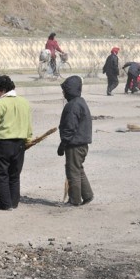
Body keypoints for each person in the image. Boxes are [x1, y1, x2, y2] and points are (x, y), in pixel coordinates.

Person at [0, 75, 32, 211]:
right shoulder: (24, 102)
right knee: (15, 174)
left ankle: (5, 204)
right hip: (20, 143)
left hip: (2, 143)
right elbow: (28, 125)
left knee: (1, 173)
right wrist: (28, 140)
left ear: (2, 90)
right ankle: (14, 202)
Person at [57, 75, 94, 207]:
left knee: (72, 171)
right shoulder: (80, 101)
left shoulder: (73, 106)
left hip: (75, 144)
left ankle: (75, 200)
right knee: (78, 169)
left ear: (70, 90)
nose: (63, 93)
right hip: (81, 144)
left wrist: (62, 145)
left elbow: (69, 128)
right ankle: (88, 195)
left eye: (65, 90)